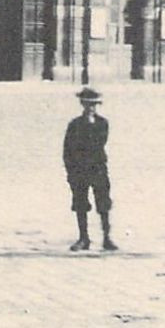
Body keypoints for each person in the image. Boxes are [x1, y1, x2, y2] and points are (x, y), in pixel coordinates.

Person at [63, 86, 115, 252]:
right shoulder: (75, 124)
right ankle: (83, 238)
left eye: (93, 105)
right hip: (79, 170)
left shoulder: (102, 123)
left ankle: (107, 238)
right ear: (82, 105)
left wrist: (90, 126)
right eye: (87, 105)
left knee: (103, 203)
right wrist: (70, 171)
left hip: (98, 168)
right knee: (80, 203)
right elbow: (68, 149)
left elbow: (99, 142)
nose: (90, 108)